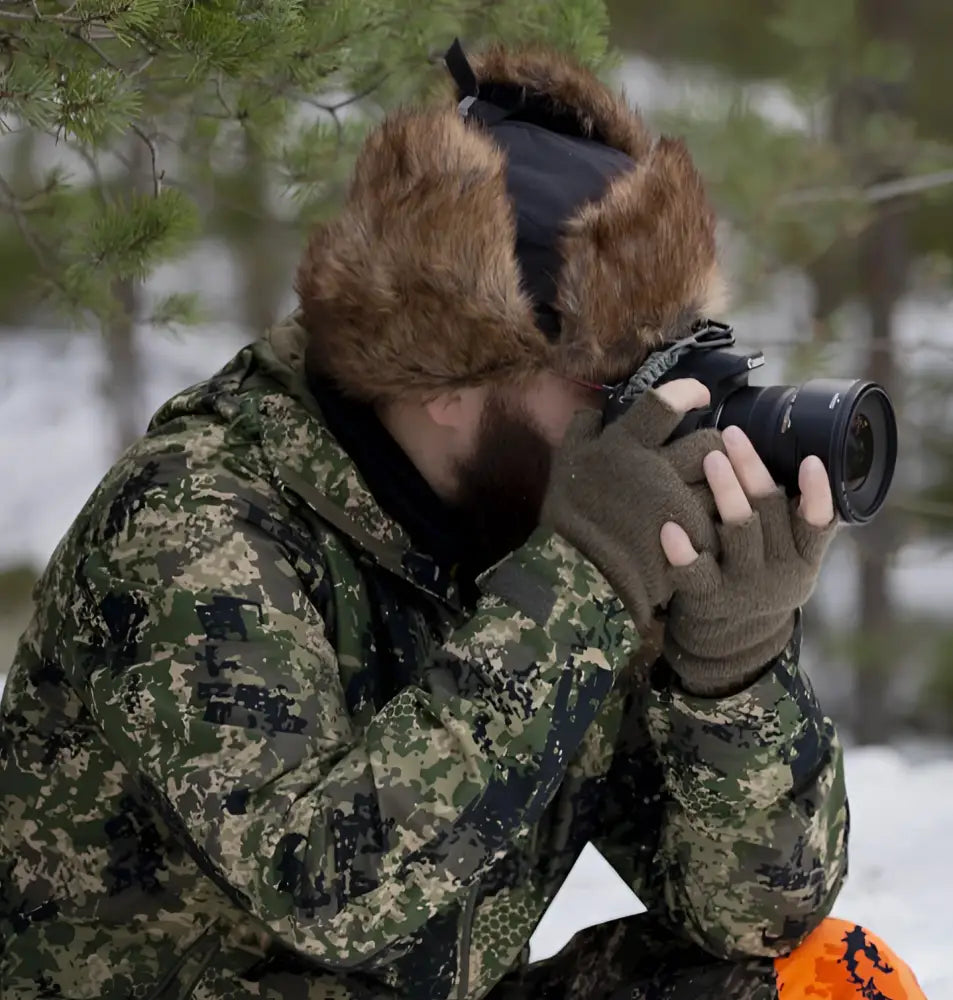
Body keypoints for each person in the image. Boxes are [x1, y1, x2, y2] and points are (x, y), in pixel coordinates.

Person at [0, 39, 925, 1000]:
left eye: (679, 366)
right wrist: (580, 582)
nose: (654, 424)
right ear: (447, 380)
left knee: (815, 984)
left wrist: (733, 661)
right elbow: (328, 890)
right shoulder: (195, 520)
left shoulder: (540, 517)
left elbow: (759, 916)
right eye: (615, 383)